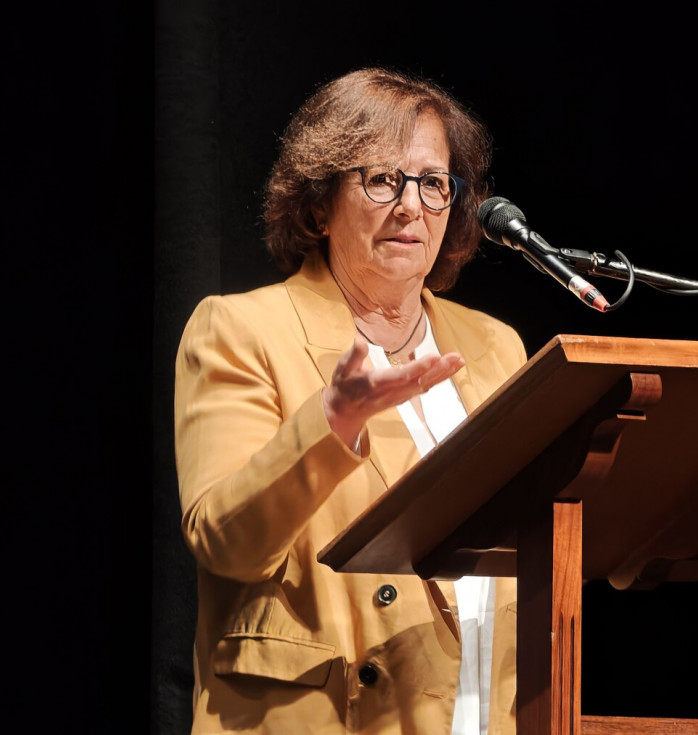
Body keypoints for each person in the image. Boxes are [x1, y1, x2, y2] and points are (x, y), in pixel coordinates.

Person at [172, 67, 528, 734]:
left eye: (432, 182)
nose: (410, 205)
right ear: (318, 204)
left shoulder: (495, 346)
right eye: (382, 179)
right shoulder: (241, 331)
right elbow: (226, 542)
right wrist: (332, 422)